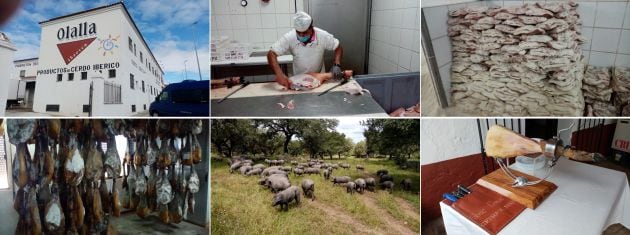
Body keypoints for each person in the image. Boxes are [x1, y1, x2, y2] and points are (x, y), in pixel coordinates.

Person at [267, 11, 344, 89]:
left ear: (311, 27)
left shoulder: (322, 35)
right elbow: (271, 53)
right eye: (298, 32)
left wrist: (337, 64)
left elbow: (338, 47)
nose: (301, 35)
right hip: (298, 81)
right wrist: (279, 73)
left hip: (319, 79)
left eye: (304, 32)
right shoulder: (290, 37)